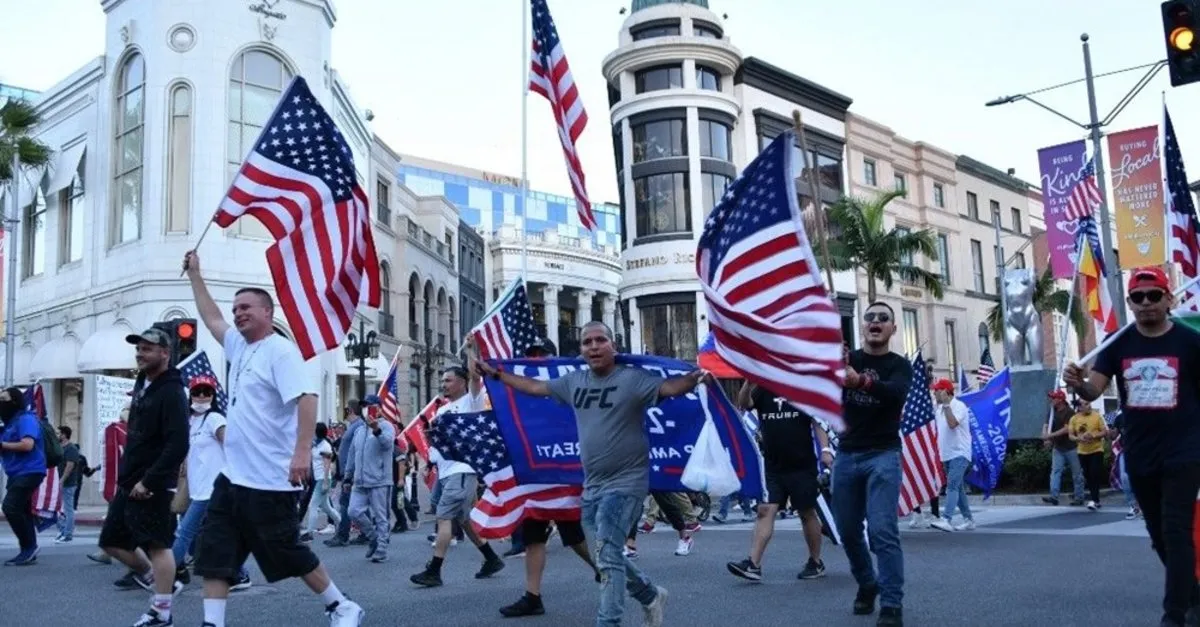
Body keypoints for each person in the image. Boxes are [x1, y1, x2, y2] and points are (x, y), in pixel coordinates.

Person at [475, 321, 711, 627]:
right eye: (587, 342)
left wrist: (695, 377)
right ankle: (650, 594)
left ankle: (608, 621)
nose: (594, 346)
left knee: (609, 554)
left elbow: (669, 388)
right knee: (604, 556)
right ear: (581, 350)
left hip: (626, 484)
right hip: (593, 485)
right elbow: (535, 388)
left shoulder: (632, 379)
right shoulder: (574, 381)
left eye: (601, 340)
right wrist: (496, 375)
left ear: (613, 346)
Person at [184, 250, 364, 627]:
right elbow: (212, 318)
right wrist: (196, 275)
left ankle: (341, 605)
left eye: (246, 307)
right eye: (236, 309)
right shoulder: (239, 347)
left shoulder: (280, 352)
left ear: (267, 312)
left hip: (270, 479)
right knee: (215, 553)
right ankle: (211, 623)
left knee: (288, 553)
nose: (238, 313)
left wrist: (301, 453)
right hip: (232, 478)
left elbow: (308, 398)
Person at [1064, 266, 1200, 627]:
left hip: (1184, 453)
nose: (1146, 304)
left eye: (1154, 295)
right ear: (1130, 302)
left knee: (1176, 531)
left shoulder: (1190, 342)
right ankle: (1194, 593)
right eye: (1137, 298)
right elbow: (1094, 390)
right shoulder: (1119, 344)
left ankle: (1174, 615)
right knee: (1158, 536)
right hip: (1139, 455)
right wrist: (1077, 384)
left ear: (1168, 299)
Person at [499, 337, 602, 618]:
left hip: (563, 471)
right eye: (531, 355)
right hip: (536, 470)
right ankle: (533, 596)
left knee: (572, 534)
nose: (535, 360)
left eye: (541, 355)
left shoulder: (567, 385)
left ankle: (601, 568)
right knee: (534, 533)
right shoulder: (523, 389)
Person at [99, 328, 190, 627]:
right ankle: (157, 579)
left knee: (157, 544)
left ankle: (161, 612)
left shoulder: (172, 390)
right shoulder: (143, 382)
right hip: (130, 479)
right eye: (139, 349)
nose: (140, 353)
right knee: (112, 541)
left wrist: (149, 481)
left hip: (151, 483)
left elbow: (178, 444)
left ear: (165, 353)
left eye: (148, 349)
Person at [832, 302, 912, 627]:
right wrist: (831, 367)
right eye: (870, 317)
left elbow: (895, 394)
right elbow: (823, 395)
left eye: (883, 318)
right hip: (847, 454)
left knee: (882, 530)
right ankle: (868, 582)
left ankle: (892, 604)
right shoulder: (846, 359)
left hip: (883, 454)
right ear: (862, 327)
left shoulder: (900, 365)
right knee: (848, 531)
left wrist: (860, 383)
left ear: (893, 329)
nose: (875, 321)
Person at [726, 380, 833, 582]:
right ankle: (753, 564)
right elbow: (744, 404)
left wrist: (825, 450)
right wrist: (748, 383)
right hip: (773, 465)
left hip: (801, 465)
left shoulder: (802, 387)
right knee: (764, 510)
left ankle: (815, 562)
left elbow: (818, 421)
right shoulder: (762, 386)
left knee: (806, 512)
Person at [410, 365, 506, 587]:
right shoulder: (443, 411)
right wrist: (431, 454)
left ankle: (434, 570)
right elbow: (439, 443)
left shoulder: (471, 402)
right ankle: (491, 559)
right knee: (464, 520)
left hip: (462, 471)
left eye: (449, 380)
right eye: (442, 381)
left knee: (444, 518)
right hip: (445, 472)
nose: (444, 384)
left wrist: (472, 349)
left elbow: (475, 376)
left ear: (462, 383)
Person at [171, 376, 251, 591]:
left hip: (213, 487)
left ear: (213, 395)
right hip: (197, 487)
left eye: (208, 392)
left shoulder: (214, 418)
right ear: (191, 395)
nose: (203, 396)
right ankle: (241, 573)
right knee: (217, 535)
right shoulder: (189, 421)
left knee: (185, 532)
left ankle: (163, 575)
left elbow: (230, 443)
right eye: (198, 392)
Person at [0, 386, 47, 565]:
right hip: (17, 472)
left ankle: (28, 547)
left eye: (3, 399)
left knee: (10, 507)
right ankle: (29, 548)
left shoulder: (25, 419)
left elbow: (27, 445)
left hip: (30, 470)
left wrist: (3, 445)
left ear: (14, 401)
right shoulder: (9, 423)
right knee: (23, 511)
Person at [347, 395, 395, 563]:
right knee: (353, 511)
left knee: (381, 517)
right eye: (365, 405)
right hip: (359, 481)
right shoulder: (360, 430)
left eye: (371, 405)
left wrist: (376, 429)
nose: (367, 408)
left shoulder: (387, 426)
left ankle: (381, 549)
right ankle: (373, 537)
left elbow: (388, 444)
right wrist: (348, 476)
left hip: (379, 480)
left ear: (380, 408)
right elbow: (353, 455)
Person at [929, 378, 975, 532]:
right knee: (959, 488)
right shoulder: (938, 409)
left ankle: (946, 518)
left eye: (937, 390)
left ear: (946, 392)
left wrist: (947, 405)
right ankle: (968, 519)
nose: (934, 393)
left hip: (960, 453)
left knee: (952, 486)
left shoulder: (959, 406)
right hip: (946, 454)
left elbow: (952, 424)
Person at [1041, 390, 1085, 506]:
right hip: (1058, 447)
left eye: (1053, 398)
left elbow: (1066, 429)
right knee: (1055, 471)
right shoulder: (1051, 411)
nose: (1051, 400)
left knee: (1077, 473)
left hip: (1071, 447)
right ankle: (1054, 496)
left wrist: (1050, 436)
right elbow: (1046, 425)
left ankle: (1079, 497)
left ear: (1060, 400)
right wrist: (1046, 438)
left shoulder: (1069, 412)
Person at [302, 422, 341, 541]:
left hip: (323, 479)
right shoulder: (316, 445)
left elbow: (327, 465)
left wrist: (325, 481)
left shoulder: (325, 446)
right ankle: (341, 523)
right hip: (318, 478)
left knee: (312, 505)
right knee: (326, 507)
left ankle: (309, 533)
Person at [1068, 398, 1107, 511]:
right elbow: (1070, 435)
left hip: (1096, 450)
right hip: (1082, 451)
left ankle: (1094, 500)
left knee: (1094, 473)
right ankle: (1096, 500)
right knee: (1088, 475)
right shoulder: (1074, 419)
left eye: (1088, 403)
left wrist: (1094, 436)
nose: (1088, 406)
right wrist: (1078, 438)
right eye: (1085, 404)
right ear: (1079, 407)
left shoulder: (1097, 416)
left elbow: (1104, 432)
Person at [55, 425, 83, 544]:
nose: (57, 435)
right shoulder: (59, 447)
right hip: (59, 483)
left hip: (69, 484)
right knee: (55, 509)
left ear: (64, 435)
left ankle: (68, 534)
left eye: (59, 433)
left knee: (68, 509)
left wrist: (62, 480)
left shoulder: (71, 448)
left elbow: (70, 466)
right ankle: (63, 530)